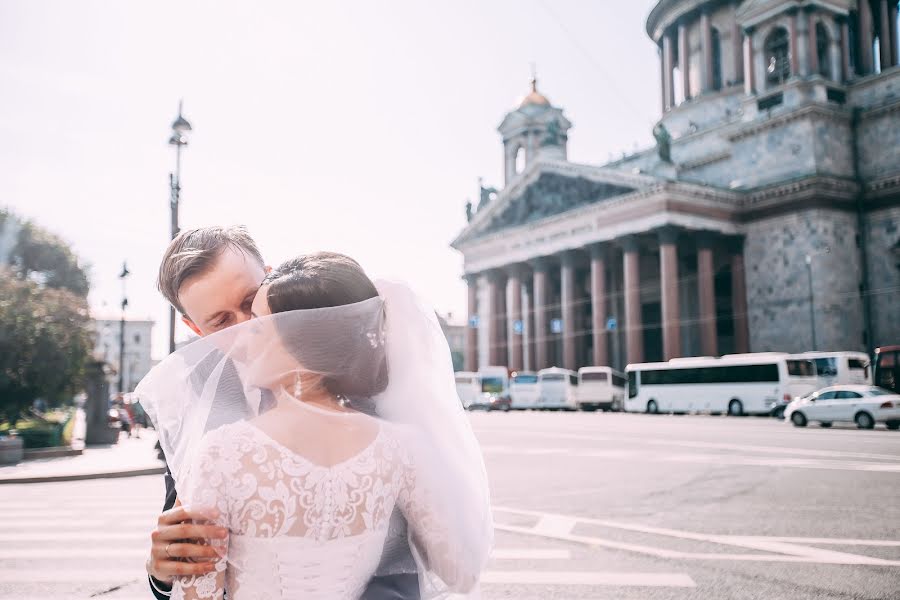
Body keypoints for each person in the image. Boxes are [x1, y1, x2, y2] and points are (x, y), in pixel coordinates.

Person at [136, 251, 492, 599]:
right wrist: (161, 573)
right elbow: (458, 569)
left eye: (252, 306)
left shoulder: (391, 411)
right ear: (196, 328)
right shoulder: (198, 411)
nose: (247, 328)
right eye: (221, 322)